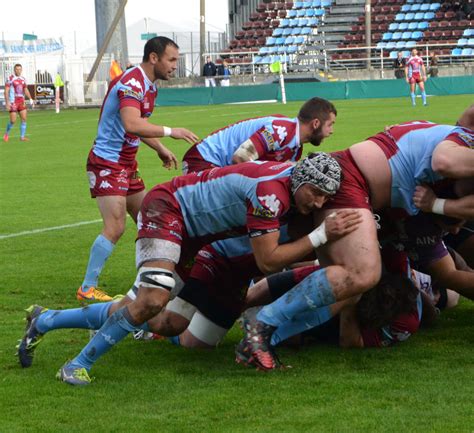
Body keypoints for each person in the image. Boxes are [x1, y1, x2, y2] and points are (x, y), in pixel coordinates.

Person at [18, 153, 361, 385]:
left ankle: (46, 319)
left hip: (194, 235)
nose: (317, 204)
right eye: (315, 194)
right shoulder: (270, 194)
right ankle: (77, 365)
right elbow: (268, 261)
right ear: (301, 179)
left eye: (324, 199)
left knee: (161, 319)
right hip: (169, 210)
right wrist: (320, 235)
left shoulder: (287, 181)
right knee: (152, 300)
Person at [236, 109, 474, 370]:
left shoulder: (450, 144)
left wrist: (439, 205)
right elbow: (444, 162)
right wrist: (440, 205)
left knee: (347, 288)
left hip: (365, 190)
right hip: (353, 180)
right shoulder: (459, 140)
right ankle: (262, 322)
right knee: (361, 273)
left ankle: (264, 336)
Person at [77, 36, 198, 302]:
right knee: (115, 226)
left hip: (126, 163)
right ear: (154, 58)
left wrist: (159, 148)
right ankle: (87, 288)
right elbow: (132, 123)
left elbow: (137, 126)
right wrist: (171, 133)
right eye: (172, 59)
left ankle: (154, 278)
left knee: (150, 218)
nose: (175, 66)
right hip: (107, 162)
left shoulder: (149, 87)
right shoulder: (132, 82)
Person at [182, 97, 337, 174]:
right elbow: (240, 159)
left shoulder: (295, 148)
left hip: (218, 164)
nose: (332, 132)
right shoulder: (280, 130)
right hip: (203, 159)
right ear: (316, 123)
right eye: (330, 125)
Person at [3, 64, 35, 142]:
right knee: (13, 121)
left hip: (21, 102)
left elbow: (25, 89)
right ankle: (6, 134)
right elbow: (6, 91)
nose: (18, 71)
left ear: (21, 70)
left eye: (20, 69)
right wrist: (7, 102)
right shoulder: (10, 78)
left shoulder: (23, 79)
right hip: (13, 102)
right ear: (14, 70)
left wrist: (30, 98)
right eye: (17, 69)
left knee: (24, 119)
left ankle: (22, 137)